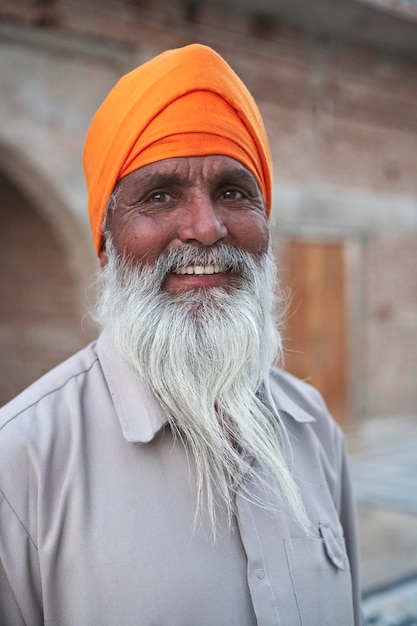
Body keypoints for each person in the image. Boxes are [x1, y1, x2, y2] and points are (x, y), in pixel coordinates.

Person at [0, 44, 362, 625]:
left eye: (233, 192)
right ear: (106, 241)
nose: (205, 227)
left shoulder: (312, 426)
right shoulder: (19, 466)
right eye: (160, 195)